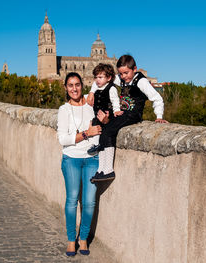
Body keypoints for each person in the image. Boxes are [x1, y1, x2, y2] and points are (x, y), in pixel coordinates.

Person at [87, 54, 169, 182]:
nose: (123, 76)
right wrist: (92, 92)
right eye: (121, 73)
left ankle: (108, 170)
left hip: (133, 114)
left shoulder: (140, 81)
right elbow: (100, 80)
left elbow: (157, 98)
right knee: (103, 126)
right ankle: (101, 169)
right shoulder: (121, 79)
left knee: (109, 131)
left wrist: (159, 116)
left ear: (134, 69)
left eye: (126, 73)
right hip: (121, 113)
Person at [57, 72, 104, 257]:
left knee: (90, 202)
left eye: (77, 85)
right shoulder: (64, 110)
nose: (74, 89)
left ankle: (83, 238)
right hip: (71, 159)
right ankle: (71, 240)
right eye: (70, 85)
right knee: (72, 200)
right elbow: (63, 139)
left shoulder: (91, 105)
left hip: (92, 158)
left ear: (82, 86)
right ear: (66, 88)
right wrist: (86, 133)